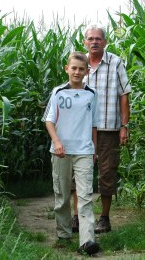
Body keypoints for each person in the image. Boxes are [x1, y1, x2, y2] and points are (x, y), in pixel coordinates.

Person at [71, 23, 132, 234]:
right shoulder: (79, 65)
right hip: (81, 129)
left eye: (98, 38)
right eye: (91, 39)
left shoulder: (115, 63)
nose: (95, 42)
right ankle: (77, 217)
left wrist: (125, 126)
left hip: (109, 128)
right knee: (78, 173)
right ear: (85, 42)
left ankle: (104, 219)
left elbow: (124, 94)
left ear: (105, 42)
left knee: (107, 173)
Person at [43, 51, 100, 255]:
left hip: (84, 150)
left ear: (87, 71)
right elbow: (49, 120)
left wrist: (94, 149)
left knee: (85, 196)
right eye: (73, 68)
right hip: (61, 151)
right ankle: (64, 233)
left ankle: (87, 241)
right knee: (62, 195)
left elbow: (94, 124)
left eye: (81, 69)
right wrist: (56, 141)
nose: (77, 72)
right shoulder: (58, 92)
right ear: (67, 69)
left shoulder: (92, 95)